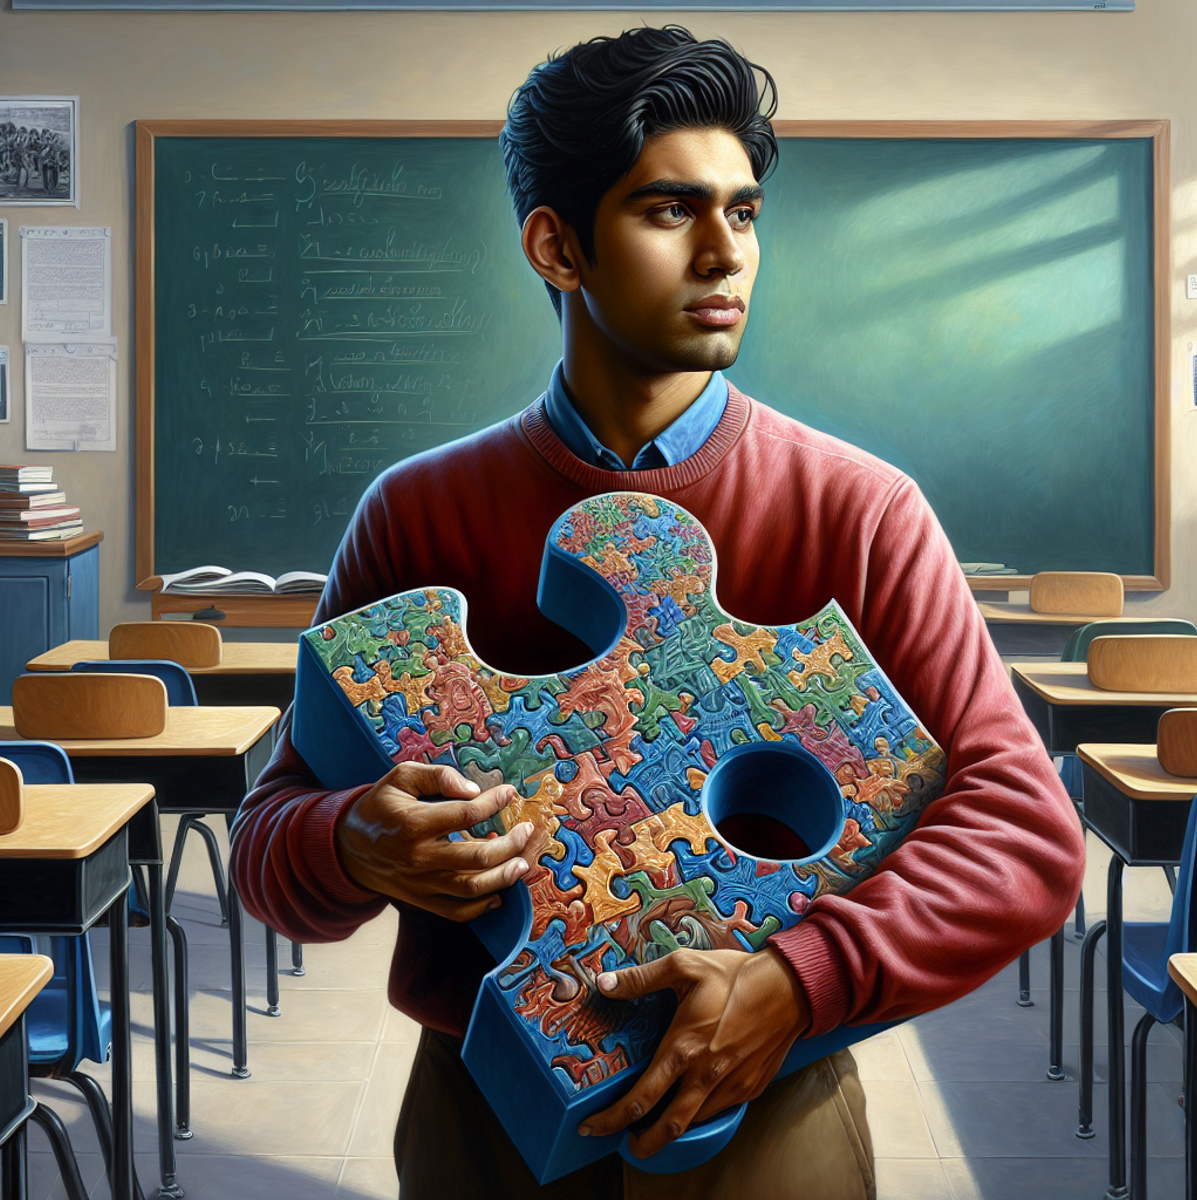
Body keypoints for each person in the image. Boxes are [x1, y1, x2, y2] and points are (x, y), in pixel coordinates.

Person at [230, 26, 1084, 1200]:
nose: (724, 253)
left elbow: (1024, 833)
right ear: (557, 243)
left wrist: (798, 980)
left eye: (745, 213)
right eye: (671, 211)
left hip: (770, 1095)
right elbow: (268, 848)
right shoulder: (417, 513)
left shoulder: (862, 509)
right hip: (485, 1111)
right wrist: (351, 841)